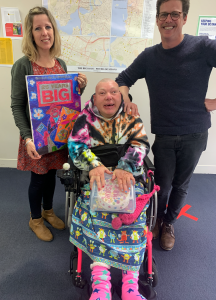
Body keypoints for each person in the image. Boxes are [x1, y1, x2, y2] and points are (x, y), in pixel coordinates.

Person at [115, 0, 216, 251]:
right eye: (163, 15)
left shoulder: (203, 47)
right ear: (157, 19)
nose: (168, 20)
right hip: (165, 133)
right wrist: (126, 100)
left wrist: (214, 102)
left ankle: (169, 222)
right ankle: (158, 218)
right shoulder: (150, 56)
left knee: (181, 185)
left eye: (174, 14)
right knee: (161, 184)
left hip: (195, 132)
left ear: (184, 17)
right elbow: (122, 79)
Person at [68, 78, 150, 300]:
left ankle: (130, 284)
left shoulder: (131, 116)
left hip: (126, 177)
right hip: (97, 178)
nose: (109, 96)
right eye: (102, 93)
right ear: (94, 98)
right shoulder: (84, 119)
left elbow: (141, 144)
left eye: (114, 92)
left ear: (121, 96)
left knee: (132, 214)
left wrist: (126, 167)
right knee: (97, 213)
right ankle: (101, 281)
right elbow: (75, 146)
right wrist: (94, 166)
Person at [11, 6, 87, 242]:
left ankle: (48, 211)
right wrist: (27, 137)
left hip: (58, 136)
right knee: (38, 179)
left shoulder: (61, 64)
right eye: (38, 28)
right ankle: (35, 219)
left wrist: (79, 89)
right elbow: (17, 106)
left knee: (54, 174)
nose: (44, 32)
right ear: (30, 34)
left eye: (48, 26)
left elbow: (66, 102)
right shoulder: (24, 65)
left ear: (53, 30)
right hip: (36, 138)